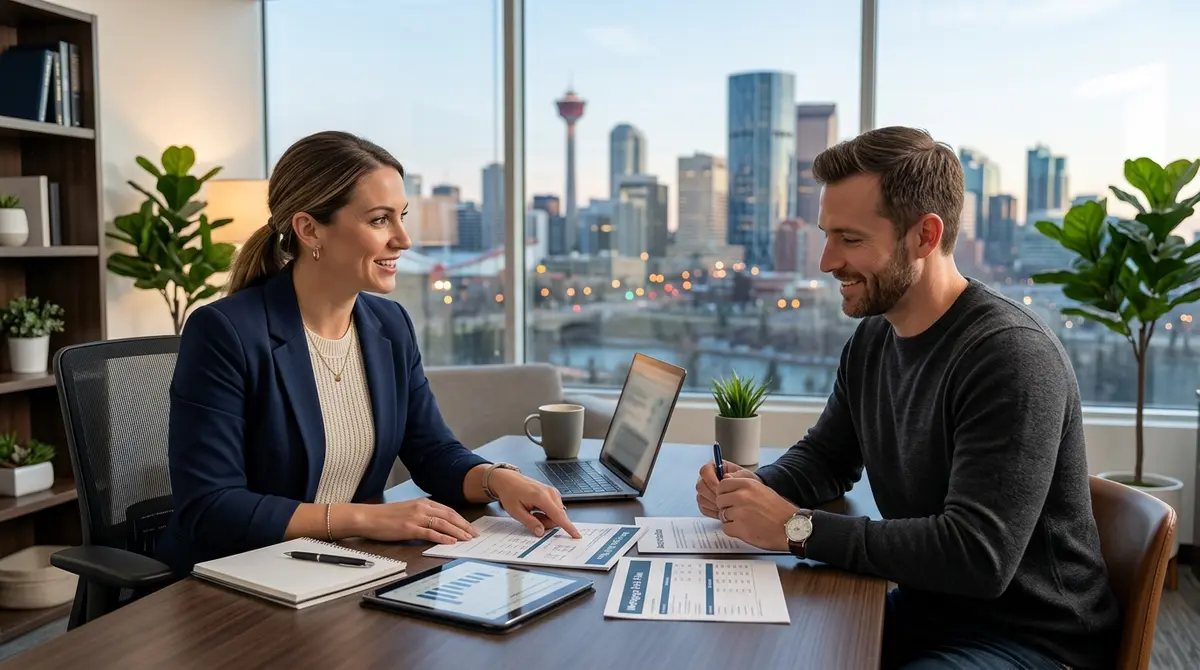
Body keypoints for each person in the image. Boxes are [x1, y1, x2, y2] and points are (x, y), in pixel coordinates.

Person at [695, 126, 1121, 669]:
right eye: (827, 235)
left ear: (924, 235)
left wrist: (794, 528)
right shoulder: (874, 340)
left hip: (1033, 641)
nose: (825, 262)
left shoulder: (1010, 357)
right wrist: (752, 490)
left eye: (849, 240)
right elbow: (827, 459)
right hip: (929, 611)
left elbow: (977, 556)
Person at [156, 130, 579, 573]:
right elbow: (211, 508)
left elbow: (433, 453)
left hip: (341, 568)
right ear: (309, 229)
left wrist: (497, 479)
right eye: (379, 220)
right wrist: (367, 518)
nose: (404, 239)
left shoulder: (389, 325)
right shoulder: (226, 332)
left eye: (402, 216)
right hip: (237, 577)